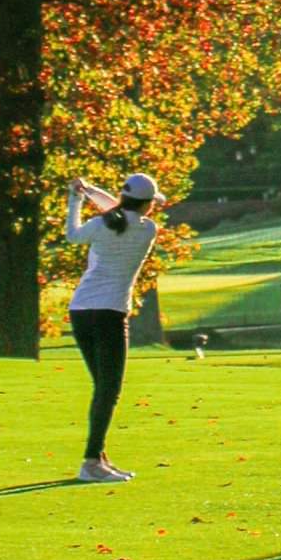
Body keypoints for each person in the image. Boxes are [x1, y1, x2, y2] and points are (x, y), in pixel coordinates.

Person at [65, 172, 164, 484]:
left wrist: (78, 197)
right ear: (147, 205)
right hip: (110, 314)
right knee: (109, 390)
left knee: (104, 390)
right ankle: (91, 462)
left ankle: (99, 458)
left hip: (80, 311)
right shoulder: (148, 229)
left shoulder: (103, 224)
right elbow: (120, 211)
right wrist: (91, 193)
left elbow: (74, 234)